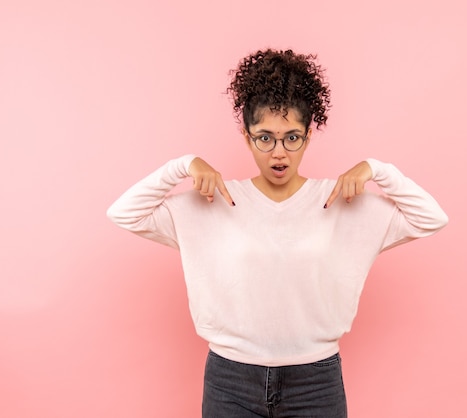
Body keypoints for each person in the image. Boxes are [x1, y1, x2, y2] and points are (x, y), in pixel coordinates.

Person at [107, 48, 448, 418]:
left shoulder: (340, 201)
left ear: (309, 134)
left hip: (316, 383)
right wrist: (182, 166)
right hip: (230, 379)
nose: (279, 153)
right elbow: (124, 212)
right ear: (246, 136)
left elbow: (430, 217)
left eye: (292, 137)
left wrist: (377, 170)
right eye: (264, 138)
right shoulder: (215, 200)